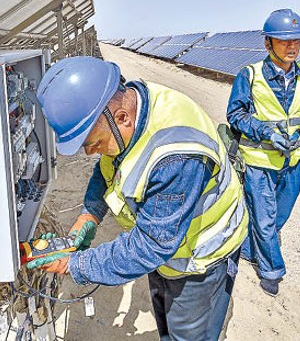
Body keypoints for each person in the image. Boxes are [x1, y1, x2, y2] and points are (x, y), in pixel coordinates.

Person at [30, 56, 248, 340]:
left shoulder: (176, 157)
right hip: (169, 251)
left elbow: (152, 244)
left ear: (122, 118)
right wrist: (89, 215)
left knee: (189, 335)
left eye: (92, 143)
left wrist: (76, 265)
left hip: (201, 261)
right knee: (167, 328)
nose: (89, 152)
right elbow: (109, 167)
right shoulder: (130, 106)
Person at [226, 9, 300, 297]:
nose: (292, 47)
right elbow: (235, 115)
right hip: (259, 162)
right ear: (268, 44)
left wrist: (291, 138)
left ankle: (250, 249)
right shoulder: (249, 76)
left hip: (293, 161)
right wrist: (267, 132)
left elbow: (297, 116)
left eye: (296, 40)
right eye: (284, 41)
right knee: (264, 218)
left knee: (278, 217)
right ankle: (272, 270)